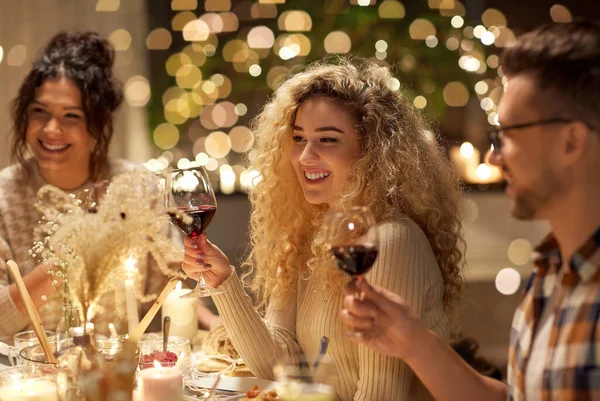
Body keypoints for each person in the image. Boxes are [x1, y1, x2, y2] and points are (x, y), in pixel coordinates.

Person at [340, 20, 600, 401]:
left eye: (507, 134)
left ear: (571, 141)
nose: (494, 156)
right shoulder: (551, 271)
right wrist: (415, 343)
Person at [182, 56, 465, 401]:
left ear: (371, 150)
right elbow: (277, 367)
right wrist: (222, 282)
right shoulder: (312, 234)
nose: (304, 156)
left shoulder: (389, 242)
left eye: (327, 140)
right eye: (298, 138)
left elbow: (381, 396)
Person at [0, 31, 172, 342]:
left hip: (121, 376)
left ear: (97, 128)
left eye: (71, 117)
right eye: (40, 112)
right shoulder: (4, 195)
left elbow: (171, 287)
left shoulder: (136, 188)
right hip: (30, 379)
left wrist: (213, 322)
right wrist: (74, 252)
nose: (52, 129)